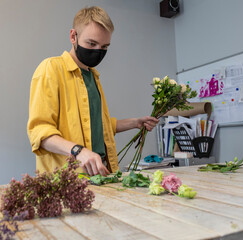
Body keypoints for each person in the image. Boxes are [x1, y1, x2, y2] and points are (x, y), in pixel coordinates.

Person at [27, 6, 158, 176]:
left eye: (104, 47)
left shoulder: (93, 76)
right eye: (91, 43)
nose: (98, 51)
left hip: (98, 176)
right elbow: (39, 133)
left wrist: (135, 123)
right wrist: (78, 151)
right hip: (66, 181)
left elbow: (98, 126)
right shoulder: (50, 68)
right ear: (73, 36)